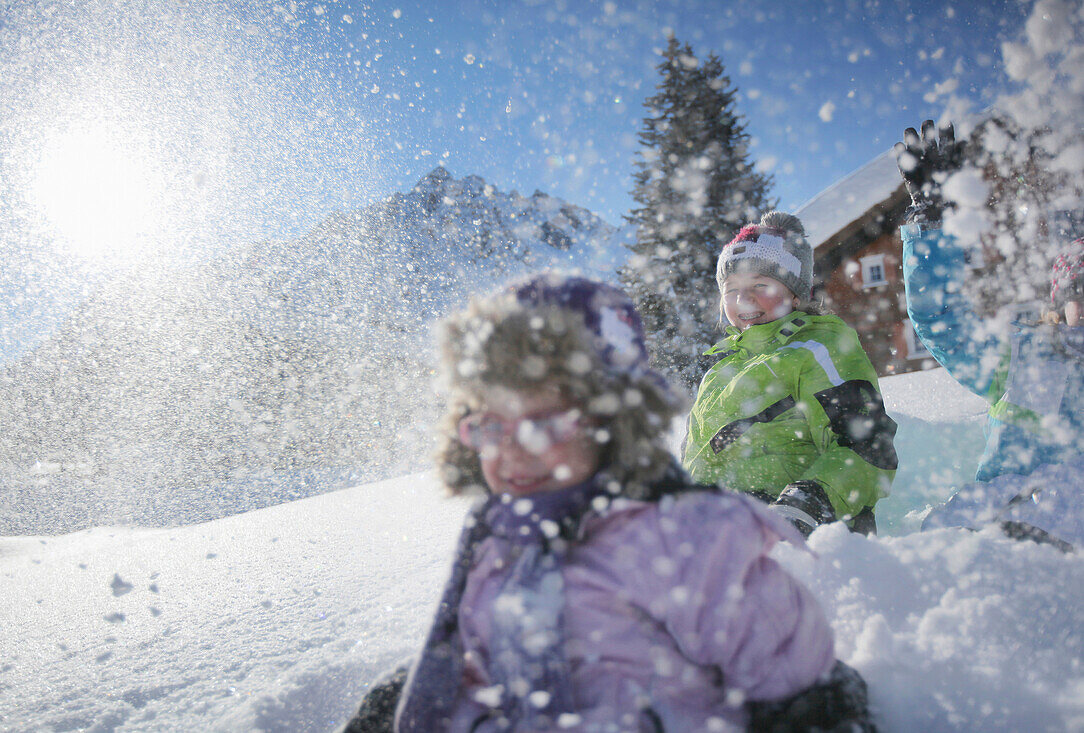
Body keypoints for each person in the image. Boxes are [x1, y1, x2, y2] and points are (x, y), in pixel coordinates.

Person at [343, 273, 874, 732]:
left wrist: (818, 713)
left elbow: (794, 672)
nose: (513, 450)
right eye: (490, 424)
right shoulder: (494, 538)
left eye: (545, 422)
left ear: (611, 426)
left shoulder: (686, 543)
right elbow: (479, 656)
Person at [895, 120, 1084, 547]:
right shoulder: (1023, 355)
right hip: (984, 532)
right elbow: (940, 318)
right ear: (1059, 304)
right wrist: (931, 222)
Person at [681, 211, 898, 538]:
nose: (743, 299)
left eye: (760, 284)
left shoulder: (819, 349)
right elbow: (696, 460)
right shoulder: (719, 372)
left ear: (796, 294)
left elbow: (866, 446)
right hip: (719, 532)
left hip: (805, 533)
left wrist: (808, 502)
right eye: (731, 288)